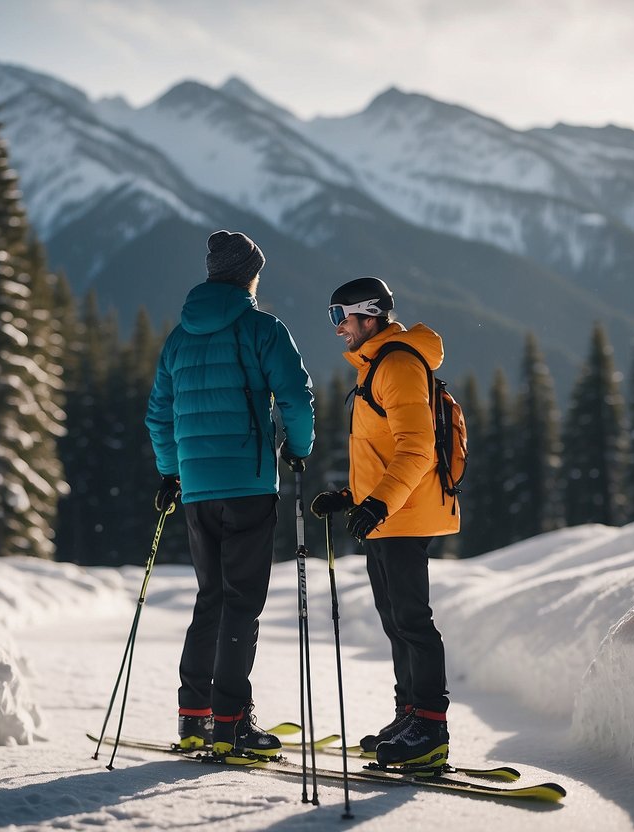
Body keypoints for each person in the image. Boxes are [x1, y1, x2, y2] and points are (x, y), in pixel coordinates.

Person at [145, 229, 314, 758]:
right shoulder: (263, 328)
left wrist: (173, 472)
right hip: (249, 484)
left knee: (211, 598)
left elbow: (158, 414)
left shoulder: (178, 337)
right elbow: (295, 396)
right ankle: (232, 723)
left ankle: (194, 717)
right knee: (242, 603)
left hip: (196, 489)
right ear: (250, 274)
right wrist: (299, 448)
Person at [310, 276, 458, 768]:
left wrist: (378, 504)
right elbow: (383, 451)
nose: (337, 329)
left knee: (413, 620)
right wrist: (352, 496)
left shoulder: (396, 364)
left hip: (407, 513)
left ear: (370, 315)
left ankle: (431, 729)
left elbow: (416, 450)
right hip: (390, 512)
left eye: (341, 317)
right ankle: (410, 714)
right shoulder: (376, 364)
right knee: (396, 621)